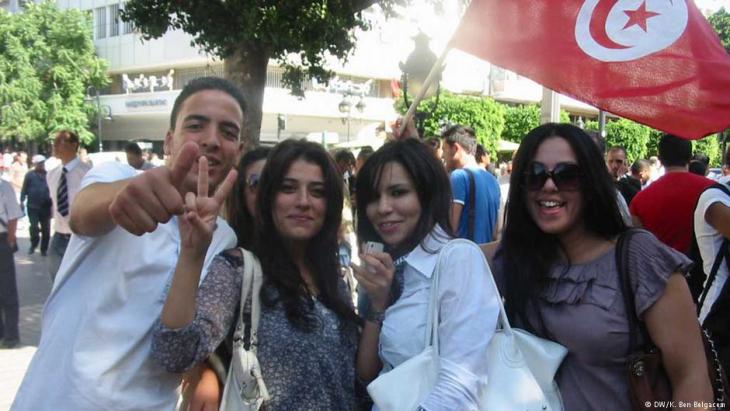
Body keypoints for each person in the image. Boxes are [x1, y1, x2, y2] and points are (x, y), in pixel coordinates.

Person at [12, 77, 244, 411]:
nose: (211, 140)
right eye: (196, 125)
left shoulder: (223, 239)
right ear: (169, 141)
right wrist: (123, 198)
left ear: (238, 151)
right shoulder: (115, 177)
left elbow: (188, 334)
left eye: (228, 132)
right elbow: (82, 213)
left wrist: (206, 369)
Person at [487, 123, 712, 410]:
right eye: (535, 175)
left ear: (591, 182)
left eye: (567, 175)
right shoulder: (515, 258)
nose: (549, 185)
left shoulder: (639, 258)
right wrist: (414, 157)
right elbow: (447, 255)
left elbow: (691, 377)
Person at [150, 139, 360, 410]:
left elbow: (353, 381)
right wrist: (192, 254)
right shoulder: (238, 269)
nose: (304, 202)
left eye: (318, 192)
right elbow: (174, 353)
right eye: (288, 188)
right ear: (268, 197)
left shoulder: (333, 278)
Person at [353, 138, 499, 410]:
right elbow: (367, 375)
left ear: (428, 194)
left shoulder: (458, 260)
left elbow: (460, 387)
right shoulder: (396, 267)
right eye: (373, 198)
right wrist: (378, 302)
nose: (383, 207)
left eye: (398, 192)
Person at [630, 134, 715, 254]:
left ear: (660, 159)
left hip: (659, 268)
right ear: (690, 158)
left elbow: (638, 245)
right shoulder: (712, 190)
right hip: (703, 269)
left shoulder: (639, 200)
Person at [46, 130, 92, 280]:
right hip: (59, 234)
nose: (55, 146)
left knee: (79, 282)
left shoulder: (87, 173)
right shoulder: (52, 174)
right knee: (56, 281)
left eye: (61, 142)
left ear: (74, 145)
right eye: (55, 142)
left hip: (80, 236)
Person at [442, 124, 501, 243]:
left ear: (455, 149)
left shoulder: (458, 176)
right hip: (485, 256)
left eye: (444, 149)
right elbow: (496, 231)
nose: (443, 156)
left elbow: (451, 229)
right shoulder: (493, 180)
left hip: (464, 256)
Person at [0, 178, 23, 348]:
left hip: (1, 240)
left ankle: (11, 335)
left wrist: (10, 240)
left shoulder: (4, 186)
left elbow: (13, 215)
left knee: (7, 290)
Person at [20, 155, 52, 256]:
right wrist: (21, 200)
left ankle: (44, 249)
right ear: (35, 164)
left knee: (46, 230)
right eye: (39, 164)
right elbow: (24, 188)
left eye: (42, 163)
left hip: (46, 206)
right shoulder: (29, 175)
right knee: (34, 227)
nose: (41, 165)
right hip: (32, 206)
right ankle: (34, 244)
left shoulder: (48, 175)